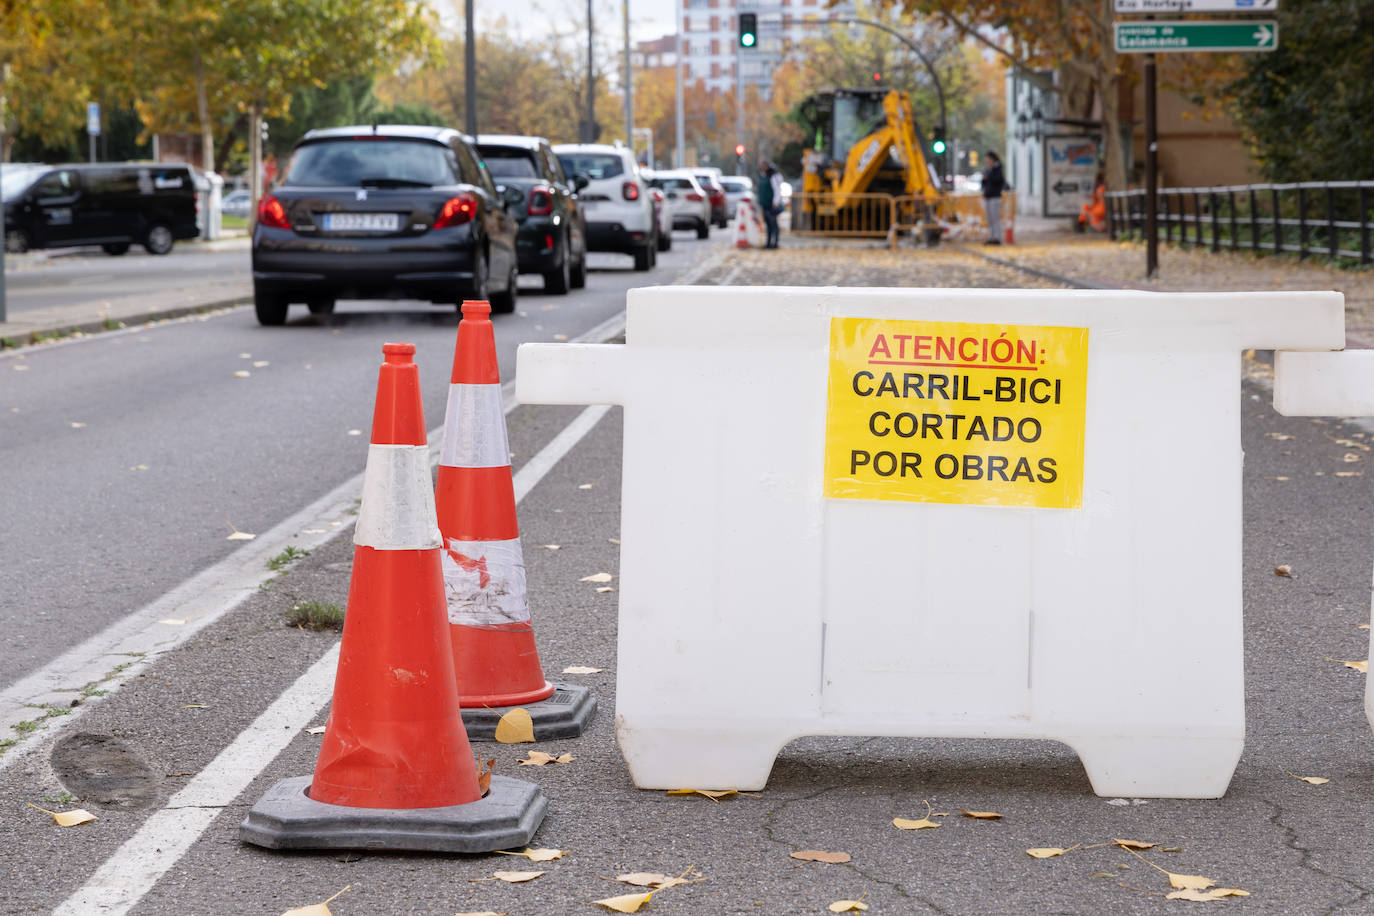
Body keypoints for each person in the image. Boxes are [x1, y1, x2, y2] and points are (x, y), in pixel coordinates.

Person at [981, 151, 1006, 245]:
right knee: (990, 219)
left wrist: (989, 177)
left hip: (995, 197)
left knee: (996, 219)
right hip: (987, 196)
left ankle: (997, 238)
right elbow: (984, 183)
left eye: (988, 160)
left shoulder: (997, 169)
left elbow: (999, 181)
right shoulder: (988, 169)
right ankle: (991, 237)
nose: (987, 162)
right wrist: (984, 179)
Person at [757, 159, 783, 248]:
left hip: (771, 204)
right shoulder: (763, 175)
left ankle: (775, 242)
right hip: (765, 204)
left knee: (773, 224)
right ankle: (768, 242)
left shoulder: (772, 176)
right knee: (768, 224)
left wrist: (776, 202)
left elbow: (777, 190)